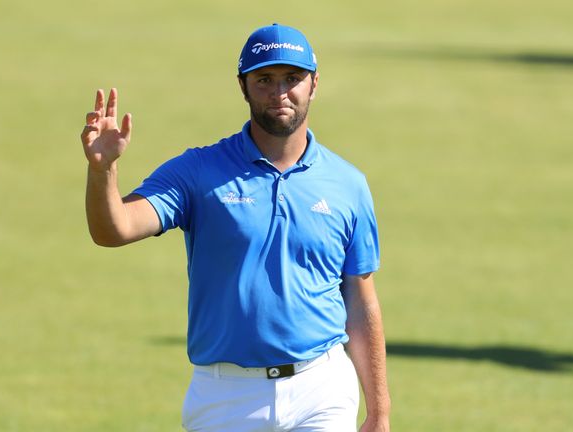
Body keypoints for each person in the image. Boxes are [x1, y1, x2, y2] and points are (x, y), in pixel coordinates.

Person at [80, 23, 390, 432]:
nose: (280, 92)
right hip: (226, 395)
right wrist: (104, 172)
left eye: (292, 79)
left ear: (314, 84)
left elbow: (361, 299)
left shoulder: (348, 183)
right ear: (243, 87)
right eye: (264, 80)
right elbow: (114, 230)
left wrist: (379, 410)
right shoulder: (197, 171)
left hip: (322, 387)